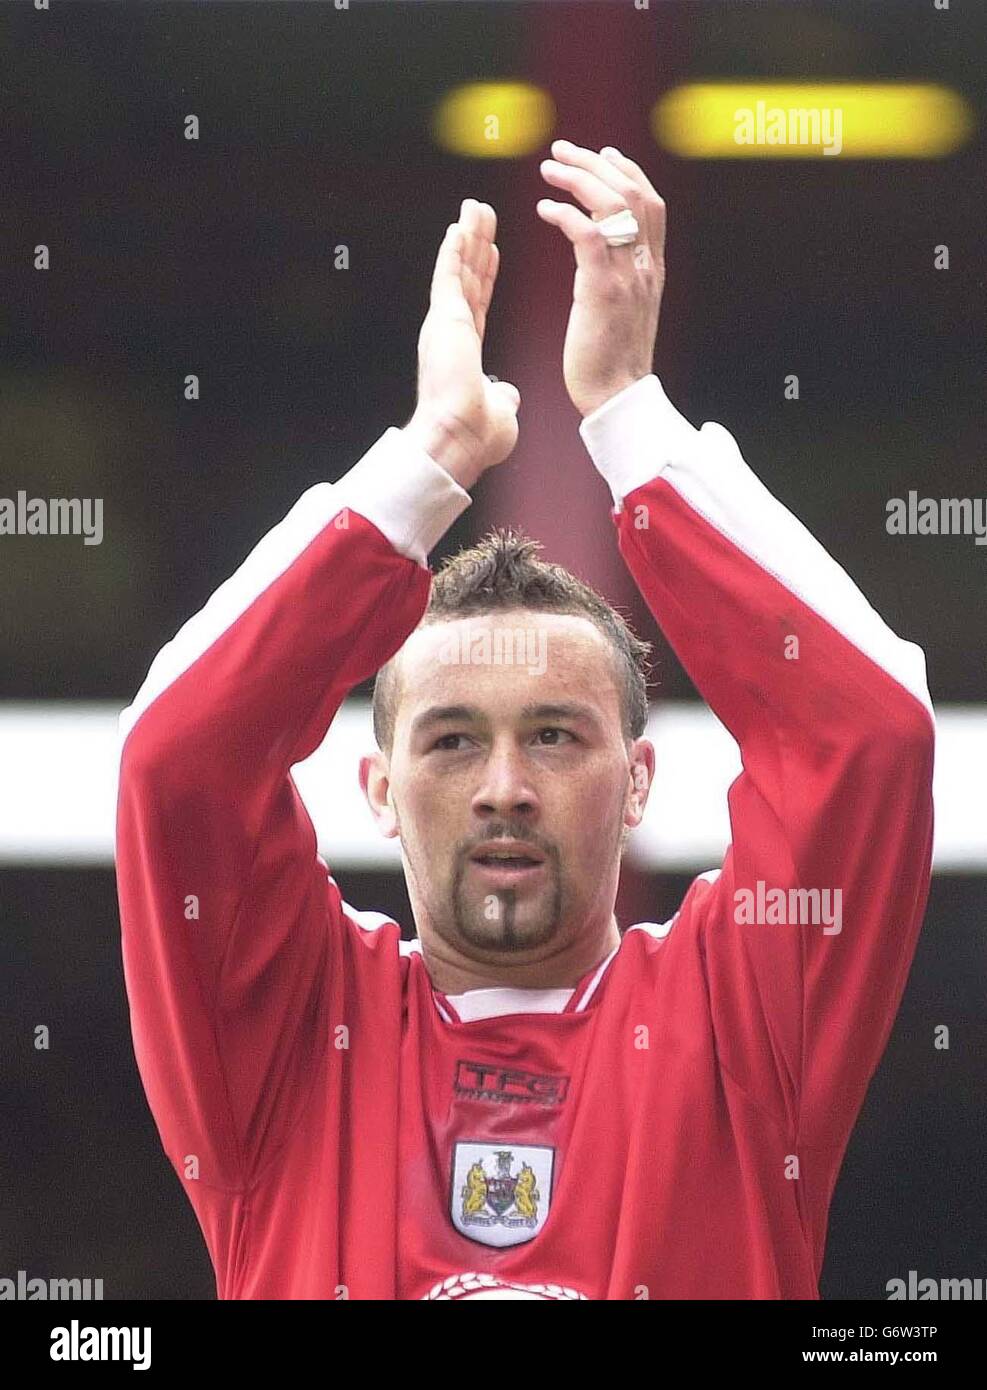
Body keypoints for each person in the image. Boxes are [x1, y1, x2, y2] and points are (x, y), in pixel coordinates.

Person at [116, 140, 934, 1300]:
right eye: (452, 739)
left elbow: (875, 730)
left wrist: (629, 415)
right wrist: (428, 458)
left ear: (641, 781)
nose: (504, 783)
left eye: (555, 733)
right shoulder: (289, 1042)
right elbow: (173, 757)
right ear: (380, 790)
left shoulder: (743, 1026)